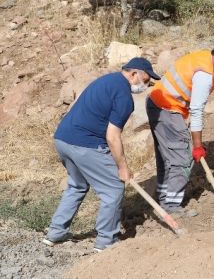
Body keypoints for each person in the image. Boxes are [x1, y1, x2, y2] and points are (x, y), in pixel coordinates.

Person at [43, 57, 161, 252]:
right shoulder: (124, 97)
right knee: (113, 189)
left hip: (63, 138)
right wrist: (123, 168)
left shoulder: (107, 80)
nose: (147, 85)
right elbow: (112, 137)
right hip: (84, 144)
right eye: (146, 80)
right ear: (133, 74)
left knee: (77, 185)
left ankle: (56, 232)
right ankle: (106, 242)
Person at [146, 42, 214, 216]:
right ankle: (170, 207)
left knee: (167, 157)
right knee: (181, 159)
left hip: (157, 104)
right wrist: (197, 145)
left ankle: (162, 197)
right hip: (168, 109)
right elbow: (196, 110)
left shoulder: (201, 57)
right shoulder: (204, 74)